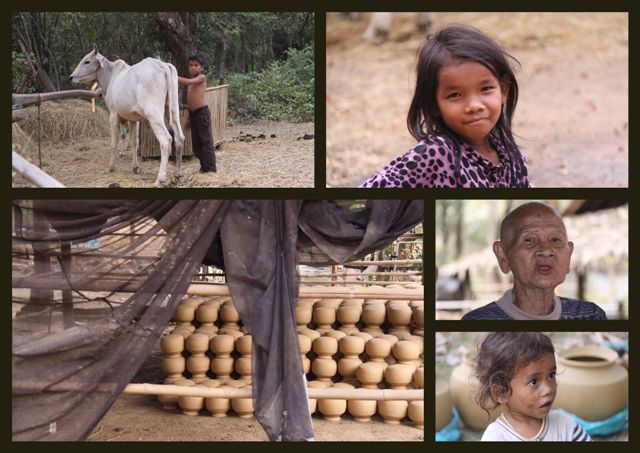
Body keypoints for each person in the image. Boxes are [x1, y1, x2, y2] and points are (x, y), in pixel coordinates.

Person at [360, 25, 529, 188]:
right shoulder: (435, 154)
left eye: (485, 89)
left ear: (503, 89)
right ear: (433, 104)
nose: (474, 106)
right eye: (454, 95)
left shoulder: (513, 158)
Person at [462, 202, 607, 320]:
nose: (545, 250)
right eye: (529, 240)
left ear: (569, 254)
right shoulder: (478, 320)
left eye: (555, 240)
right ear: (503, 257)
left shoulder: (592, 315)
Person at [475, 332, 592, 441]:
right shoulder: (496, 437)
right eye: (534, 382)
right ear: (501, 392)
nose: (548, 389)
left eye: (551, 375)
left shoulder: (565, 425)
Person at [177, 55, 217, 173]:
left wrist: (173, 75)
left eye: (196, 65)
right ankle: (203, 167)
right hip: (193, 113)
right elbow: (191, 101)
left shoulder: (201, 78)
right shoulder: (191, 83)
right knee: (196, 144)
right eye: (190, 65)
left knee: (206, 141)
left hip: (202, 113)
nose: (193, 67)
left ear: (202, 68)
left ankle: (210, 169)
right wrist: (189, 118)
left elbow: (188, 81)